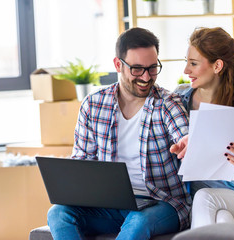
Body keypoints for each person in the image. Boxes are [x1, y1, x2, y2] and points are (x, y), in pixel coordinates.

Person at [47, 27, 192, 239]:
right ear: (118, 65)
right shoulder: (93, 105)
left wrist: (188, 141)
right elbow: (82, 161)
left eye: (152, 68)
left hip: (162, 204)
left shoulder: (168, 103)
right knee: (58, 213)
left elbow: (183, 132)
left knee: (138, 222)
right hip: (110, 205)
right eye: (137, 69)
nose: (146, 77)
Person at [171, 27, 234, 229]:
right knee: (222, 220)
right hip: (193, 196)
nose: (186, 70)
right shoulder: (179, 99)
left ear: (217, 65)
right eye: (187, 62)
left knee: (205, 199)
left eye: (193, 63)